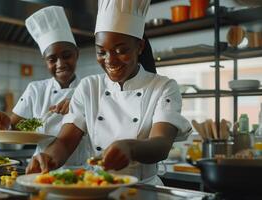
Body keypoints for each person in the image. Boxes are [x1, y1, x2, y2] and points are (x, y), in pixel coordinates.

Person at [25, 0, 192, 185]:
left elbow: (161, 143)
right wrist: (48, 157)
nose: (110, 60)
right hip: (96, 187)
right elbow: (65, 142)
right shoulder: (89, 87)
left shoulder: (163, 87)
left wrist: (130, 148)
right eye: (101, 52)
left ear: (140, 47)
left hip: (144, 189)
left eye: (121, 50)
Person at [0, 6, 89, 166]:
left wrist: (79, 106)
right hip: (40, 164)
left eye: (67, 56)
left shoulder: (88, 88)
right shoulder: (36, 89)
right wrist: (4, 122)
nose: (60, 64)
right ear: (45, 61)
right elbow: (15, 127)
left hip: (81, 168)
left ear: (77, 54)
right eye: (52, 59)